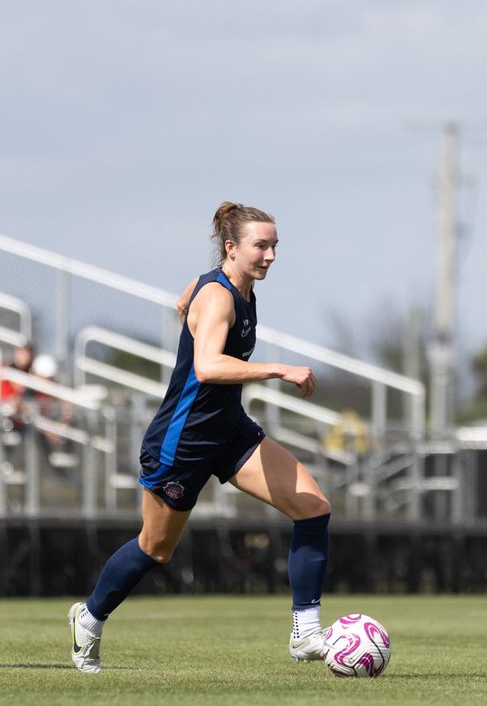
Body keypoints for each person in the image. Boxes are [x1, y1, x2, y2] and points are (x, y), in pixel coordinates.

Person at [67, 202, 329, 673]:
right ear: (231, 248)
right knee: (156, 548)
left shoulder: (234, 287)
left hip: (230, 432)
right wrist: (281, 369)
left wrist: (192, 297)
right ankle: (88, 617)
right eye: (261, 246)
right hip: (181, 441)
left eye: (274, 246)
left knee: (312, 507)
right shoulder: (221, 296)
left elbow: (185, 296)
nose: (271, 255)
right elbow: (207, 366)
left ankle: (305, 633)